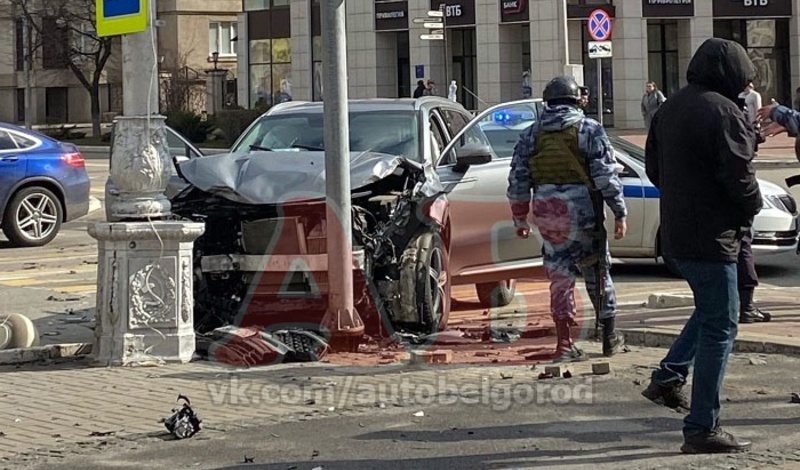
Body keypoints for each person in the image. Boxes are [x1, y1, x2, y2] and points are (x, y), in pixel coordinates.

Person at [642, 38, 762, 454]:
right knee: (722, 326)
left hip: (678, 232)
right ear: (731, 73)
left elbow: (654, 169)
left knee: (712, 311)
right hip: (714, 235)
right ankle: (702, 427)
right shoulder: (724, 111)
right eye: (744, 79)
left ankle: (669, 377)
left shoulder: (669, 108)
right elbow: (739, 176)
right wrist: (752, 207)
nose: (746, 87)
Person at [506, 75, 628, 363]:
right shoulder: (589, 129)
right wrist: (619, 211)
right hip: (585, 213)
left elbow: (518, 179)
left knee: (560, 278)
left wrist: (520, 218)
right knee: (598, 271)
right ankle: (610, 337)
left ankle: (564, 344)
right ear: (576, 100)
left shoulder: (531, 134)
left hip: (549, 216)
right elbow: (605, 177)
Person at [738, 82, 764, 154]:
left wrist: (758, 118)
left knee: (754, 134)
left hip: (752, 117)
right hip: (743, 117)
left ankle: (754, 149)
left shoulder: (755, 95)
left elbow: (758, 107)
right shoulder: (741, 95)